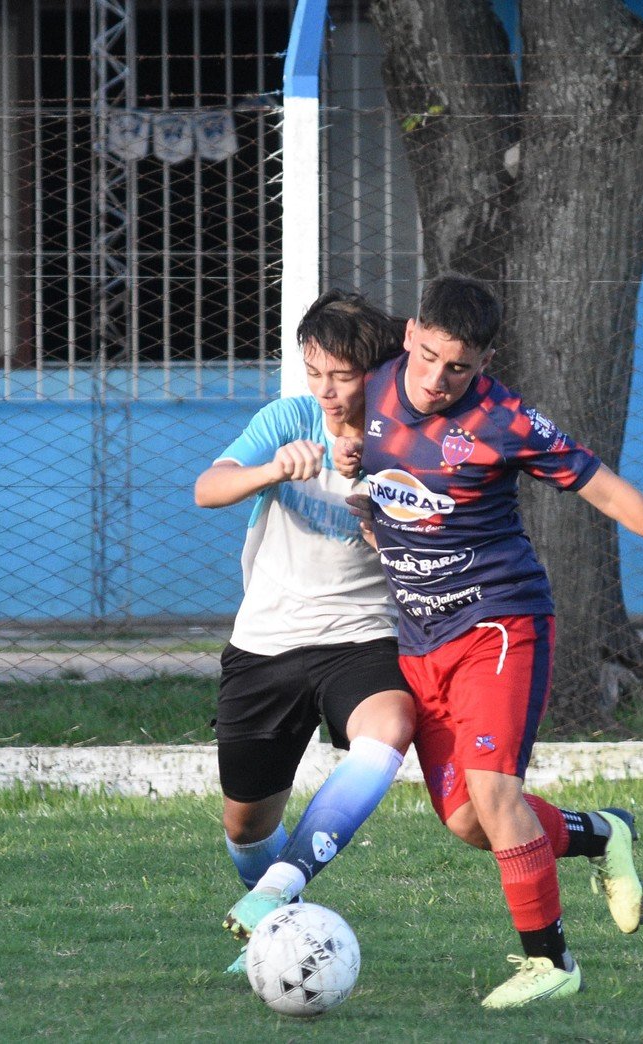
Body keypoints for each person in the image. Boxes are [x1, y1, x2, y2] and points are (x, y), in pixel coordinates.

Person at [353, 273, 643, 1009]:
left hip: (500, 622)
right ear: (409, 335)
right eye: (428, 357)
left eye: (458, 367)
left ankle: (551, 962)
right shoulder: (365, 391)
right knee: (470, 821)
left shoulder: (506, 422)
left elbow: (611, 492)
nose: (437, 380)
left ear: (485, 363)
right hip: (418, 640)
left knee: (497, 796)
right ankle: (601, 834)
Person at [192, 291, 415, 973]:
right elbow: (208, 487)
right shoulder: (287, 418)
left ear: (376, 371)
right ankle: (275, 923)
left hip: (362, 637)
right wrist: (270, 469)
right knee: (245, 827)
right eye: (313, 370)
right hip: (267, 643)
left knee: (390, 727)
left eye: (340, 375)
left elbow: (438, 542)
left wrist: (382, 513)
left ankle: (277, 892)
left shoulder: (407, 439)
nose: (325, 389)